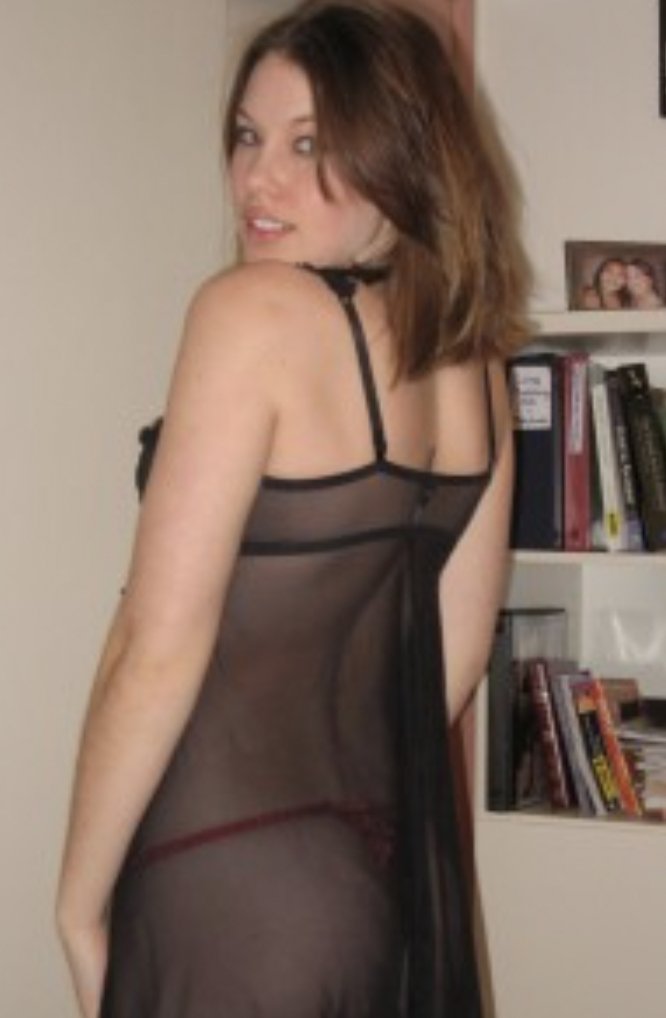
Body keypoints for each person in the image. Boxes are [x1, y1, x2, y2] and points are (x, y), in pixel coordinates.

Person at [56, 2, 530, 1016]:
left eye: (309, 145)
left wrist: (79, 902)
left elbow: (155, 649)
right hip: (373, 888)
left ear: (401, 154)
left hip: (225, 879)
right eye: (248, 136)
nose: (257, 180)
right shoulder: (479, 362)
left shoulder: (249, 312)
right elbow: (447, 661)